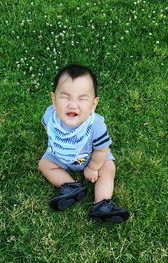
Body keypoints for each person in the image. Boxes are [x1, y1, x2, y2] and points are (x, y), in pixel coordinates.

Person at [38, 64, 130, 223]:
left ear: (93, 104)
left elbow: (102, 149)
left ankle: (102, 203)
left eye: (82, 98)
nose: (73, 104)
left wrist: (93, 167)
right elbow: (49, 131)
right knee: (44, 164)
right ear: (53, 99)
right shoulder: (49, 116)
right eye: (65, 97)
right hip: (59, 155)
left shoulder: (96, 126)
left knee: (108, 167)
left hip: (91, 156)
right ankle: (71, 186)